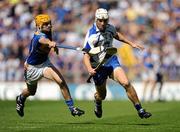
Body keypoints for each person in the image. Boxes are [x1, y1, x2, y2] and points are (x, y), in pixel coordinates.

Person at [83, 8, 151, 119]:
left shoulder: (110, 28)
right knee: (102, 96)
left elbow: (117, 35)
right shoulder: (91, 36)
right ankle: (97, 101)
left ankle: (140, 110)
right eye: (100, 20)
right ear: (96, 19)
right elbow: (85, 56)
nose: (103, 23)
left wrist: (131, 43)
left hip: (111, 61)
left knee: (126, 83)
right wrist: (89, 69)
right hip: (98, 66)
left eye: (105, 20)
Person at [16, 14, 84, 117]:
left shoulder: (48, 32)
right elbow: (43, 40)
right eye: (45, 24)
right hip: (32, 68)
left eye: (49, 23)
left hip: (44, 64)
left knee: (61, 82)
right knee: (31, 91)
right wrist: (50, 43)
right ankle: (20, 98)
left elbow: (48, 44)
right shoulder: (39, 37)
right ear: (39, 26)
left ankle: (72, 108)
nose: (49, 26)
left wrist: (53, 47)